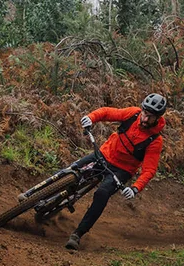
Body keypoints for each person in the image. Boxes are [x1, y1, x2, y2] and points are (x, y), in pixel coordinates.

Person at [64, 93, 167, 250]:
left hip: (122, 170)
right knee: (72, 170)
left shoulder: (155, 141)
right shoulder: (132, 114)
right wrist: (91, 118)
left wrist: (135, 188)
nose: (145, 119)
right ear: (142, 109)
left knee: (102, 194)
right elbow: (107, 112)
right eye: (145, 113)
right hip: (105, 154)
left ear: (158, 118)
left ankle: (78, 234)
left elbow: (149, 170)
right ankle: (36, 194)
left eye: (151, 117)